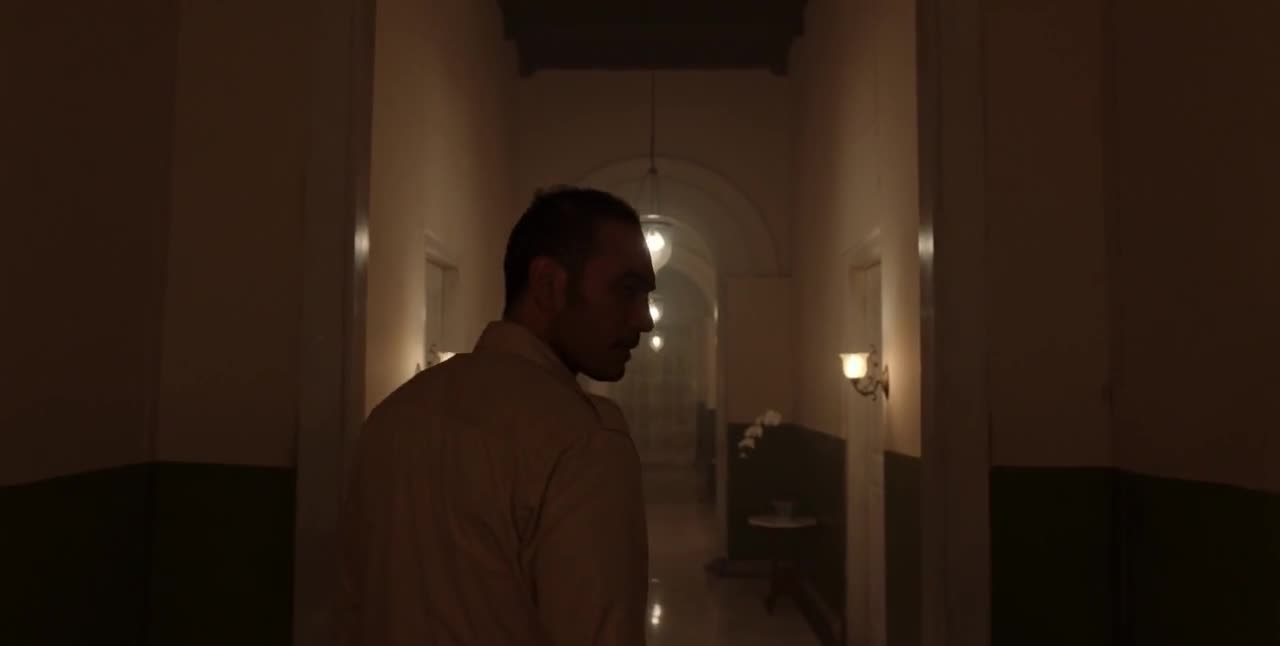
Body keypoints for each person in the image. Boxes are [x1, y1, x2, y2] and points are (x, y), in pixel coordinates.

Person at [339, 187, 657, 646]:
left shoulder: (395, 414)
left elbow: (353, 607)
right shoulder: (585, 439)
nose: (644, 319)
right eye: (627, 291)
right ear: (548, 284)